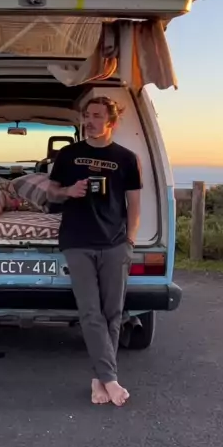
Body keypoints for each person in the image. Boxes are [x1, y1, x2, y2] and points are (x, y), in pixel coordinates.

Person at [48, 96, 142, 407]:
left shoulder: (127, 158)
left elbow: (134, 204)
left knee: (113, 314)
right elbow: (51, 193)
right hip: (77, 241)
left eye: (97, 116)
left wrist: (129, 242)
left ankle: (99, 380)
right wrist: (68, 191)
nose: (89, 121)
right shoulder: (68, 155)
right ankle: (111, 380)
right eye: (87, 115)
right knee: (91, 312)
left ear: (111, 122)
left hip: (114, 243)